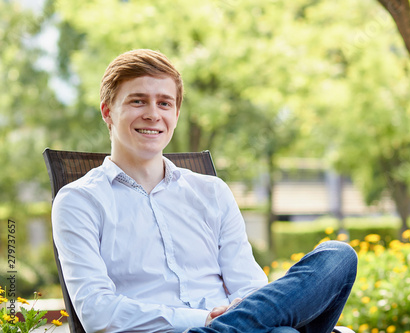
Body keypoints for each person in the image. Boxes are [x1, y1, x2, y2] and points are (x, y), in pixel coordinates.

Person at [52, 49, 358, 333]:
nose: (153, 114)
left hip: (236, 323)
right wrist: (203, 320)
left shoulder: (211, 191)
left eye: (164, 103)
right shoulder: (79, 201)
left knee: (337, 256)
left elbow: (248, 285)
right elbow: (96, 312)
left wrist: (231, 318)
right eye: (137, 101)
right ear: (107, 112)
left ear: (176, 114)